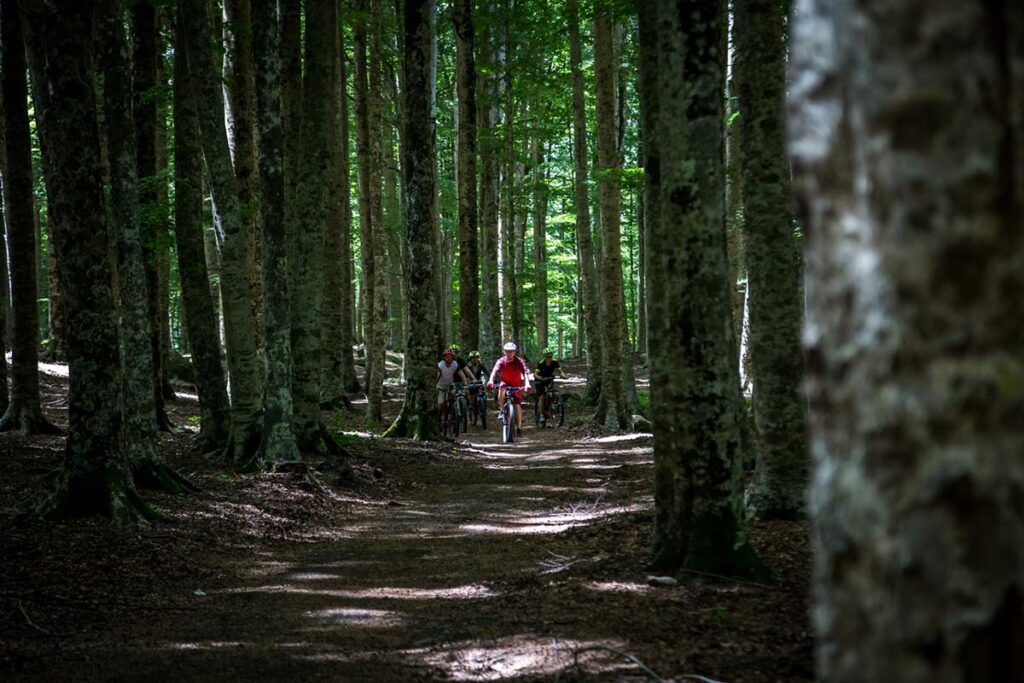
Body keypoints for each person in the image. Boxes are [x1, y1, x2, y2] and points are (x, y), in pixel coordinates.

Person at [487, 341, 532, 435]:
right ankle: (502, 409)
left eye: (511, 351)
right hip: (505, 383)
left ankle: (519, 428)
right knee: (501, 390)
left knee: (517, 405)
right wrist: (491, 380)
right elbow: (494, 372)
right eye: (507, 351)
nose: (509, 353)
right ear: (504, 352)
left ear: (514, 352)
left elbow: (525, 373)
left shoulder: (519, 361)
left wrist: (527, 384)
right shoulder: (501, 361)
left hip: (517, 384)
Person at [533, 348, 567, 425]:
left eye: (550, 356)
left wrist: (564, 376)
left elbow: (560, 371)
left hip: (549, 379)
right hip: (539, 381)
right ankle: (541, 415)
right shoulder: (541, 363)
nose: (549, 358)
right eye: (547, 356)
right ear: (545, 356)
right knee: (541, 397)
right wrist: (540, 378)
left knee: (551, 392)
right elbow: (535, 374)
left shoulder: (555, 362)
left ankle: (551, 407)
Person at [437, 348, 462, 426]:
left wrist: (466, 384)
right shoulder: (441, 365)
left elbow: (462, 374)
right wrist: (435, 385)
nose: (449, 358)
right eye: (447, 356)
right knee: (440, 403)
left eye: (450, 356)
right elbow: (437, 375)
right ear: (444, 357)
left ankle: (450, 415)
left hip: (450, 385)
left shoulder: (455, 364)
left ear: (453, 357)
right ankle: (438, 420)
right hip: (440, 386)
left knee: (452, 400)